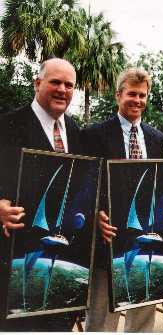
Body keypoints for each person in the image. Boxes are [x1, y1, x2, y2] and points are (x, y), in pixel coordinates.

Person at [80, 67, 163, 332]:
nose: (137, 100)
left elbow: (160, 186)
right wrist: (94, 215)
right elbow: (84, 185)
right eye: (132, 94)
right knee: (102, 318)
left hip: (144, 238)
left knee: (142, 314)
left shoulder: (156, 138)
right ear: (119, 95)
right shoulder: (94, 134)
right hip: (108, 239)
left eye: (142, 95)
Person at [0, 58, 82, 331]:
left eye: (69, 85)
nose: (62, 90)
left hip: (60, 260)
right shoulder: (7, 125)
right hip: (13, 259)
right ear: (38, 84)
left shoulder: (75, 131)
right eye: (55, 82)